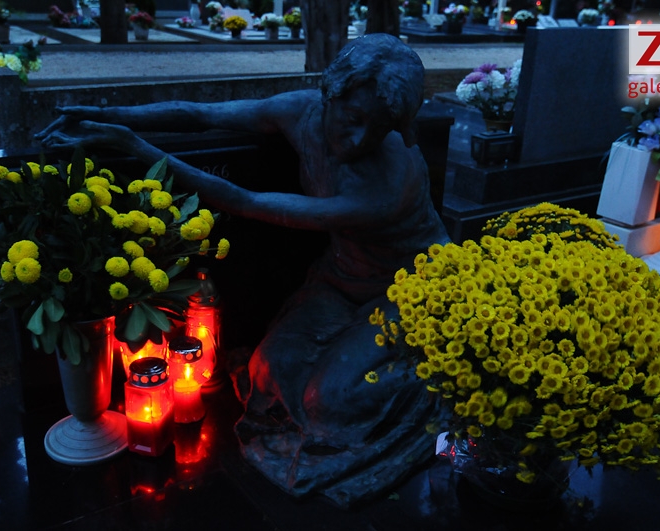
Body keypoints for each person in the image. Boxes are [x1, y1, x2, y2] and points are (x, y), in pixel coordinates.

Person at [37, 33, 450, 507]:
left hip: (408, 286)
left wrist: (131, 145)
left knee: (327, 402)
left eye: (378, 129)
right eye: (353, 118)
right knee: (267, 371)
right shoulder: (302, 111)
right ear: (330, 95)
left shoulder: (387, 185)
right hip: (341, 279)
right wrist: (107, 116)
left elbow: (246, 201)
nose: (358, 139)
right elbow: (200, 114)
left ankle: (438, 374)